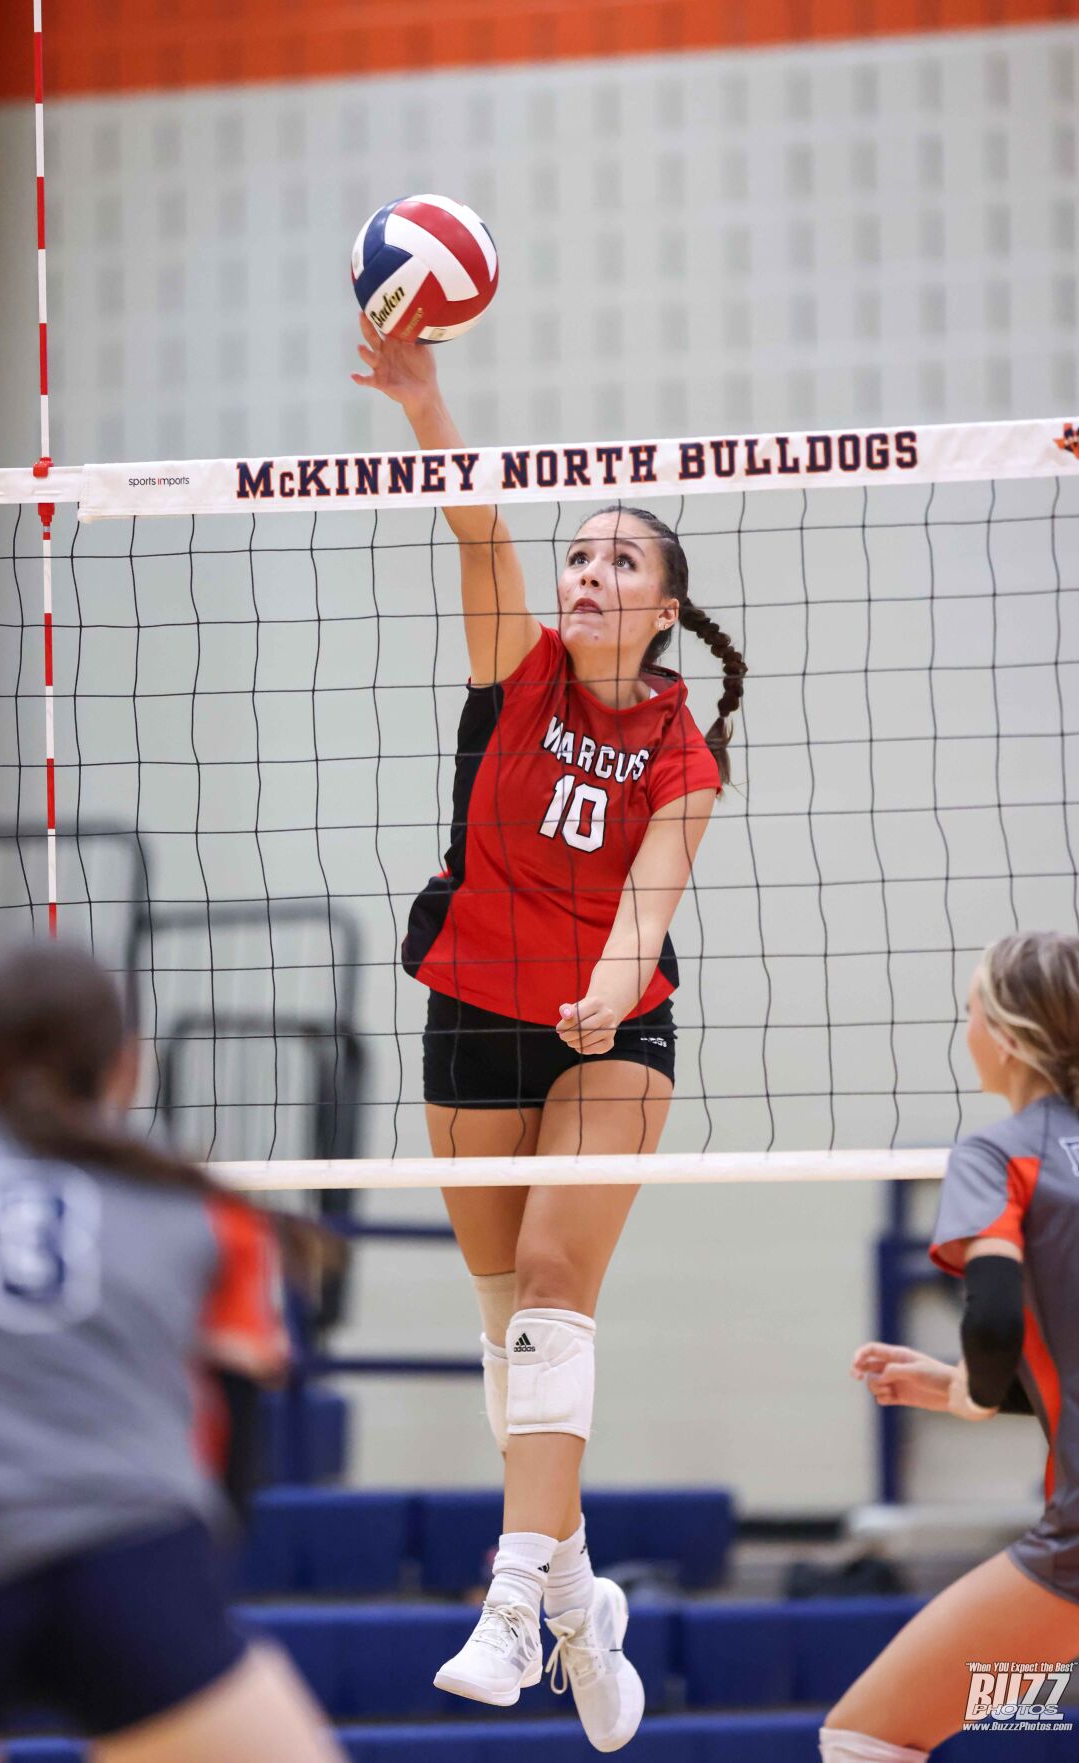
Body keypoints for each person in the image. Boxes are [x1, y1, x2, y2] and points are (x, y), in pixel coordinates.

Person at [353, 314, 745, 1751]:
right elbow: (474, 533)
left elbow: (652, 903)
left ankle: (517, 1592)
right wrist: (425, 401)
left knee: (556, 1293)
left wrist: (607, 980)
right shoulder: (517, 675)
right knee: (503, 1327)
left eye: (619, 560)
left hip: (607, 1039)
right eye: (578, 553)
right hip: (471, 1014)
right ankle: (586, 1597)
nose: (587, 572)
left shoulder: (683, 753)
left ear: (660, 607)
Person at [0, 941, 346, 1763]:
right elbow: (235, 1439)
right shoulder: (200, 1206)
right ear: (127, 1068)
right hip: (128, 1560)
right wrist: (184, 1608)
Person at [822, 930, 1079, 1762]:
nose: (965, 1031)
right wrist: (963, 1384)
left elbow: (992, 1318)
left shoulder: (1002, 1151)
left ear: (1006, 1032)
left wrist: (974, 1393)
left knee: (864, 1733)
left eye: (968, 1011)